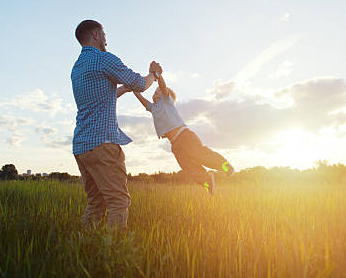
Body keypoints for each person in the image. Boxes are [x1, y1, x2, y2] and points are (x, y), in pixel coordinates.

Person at [71, 19, 162, 230]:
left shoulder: (77, 68)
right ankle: (114, 255)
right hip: (103, 143)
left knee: (95, 203)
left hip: (82, 146)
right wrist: (154, 75)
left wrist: (124, 89)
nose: (105, 39)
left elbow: (104, 95)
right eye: (103, 34)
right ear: (96, 35)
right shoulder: (104, 59)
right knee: (118, 202)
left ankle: (85, 249)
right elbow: (140, 83)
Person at [130, 72, 234, 194]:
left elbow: (163, 86)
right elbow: (142, 99)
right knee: (188, 166)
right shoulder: (154, 108)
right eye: (154, 92)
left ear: (165, 95)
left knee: (200, 155)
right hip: (175, 144)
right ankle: (207, 180)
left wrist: (158, 76)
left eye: (157, 91)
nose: (155, 93)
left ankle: (224, 165)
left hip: (185, 136)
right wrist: (133, 88)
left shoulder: (167, 101)